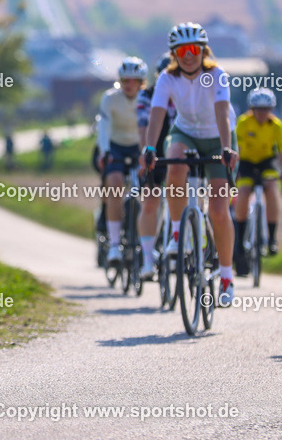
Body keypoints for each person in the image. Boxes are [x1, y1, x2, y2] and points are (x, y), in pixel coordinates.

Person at [142, 23, 239, 307]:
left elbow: (222, 110)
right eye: (182, 51)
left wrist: (226, 146)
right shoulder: (167, 78)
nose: (188, 55)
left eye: (193, 49)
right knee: (174, 164)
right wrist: (149, 148)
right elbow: (157, 112)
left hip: (218, 137)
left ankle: (226, 276)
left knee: (219, 211)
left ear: (203, 51)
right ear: (174, 54)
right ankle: (176, 232)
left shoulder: (217, 75)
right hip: (185, 132)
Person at [96, 57, 149, 266]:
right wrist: (104, 151)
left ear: (141, 82)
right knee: (115, 185)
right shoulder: (110, 98)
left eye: (134, 81)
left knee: (147, 192)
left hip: (138, 148)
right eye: (125, 80)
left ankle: (147, 243)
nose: (129, 85)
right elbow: (104, 126)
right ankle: (115, 245)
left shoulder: (147, 99)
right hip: (115, 146)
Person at [232, 88, 282, 275]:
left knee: (271, 188)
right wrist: (236, 172)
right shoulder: (243, 123)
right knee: (244, 191)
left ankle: (272, 238)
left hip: (266, 162)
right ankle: (239, 239)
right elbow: (237, 148)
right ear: (252, 109)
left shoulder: (276, 125)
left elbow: (281, 153)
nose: (263, 113)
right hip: (246, 161)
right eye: (258, 109)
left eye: (266, 109)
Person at [135, 54, 177, 279]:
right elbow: (143, 127)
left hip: (180, 153)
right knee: (150, 202)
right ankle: (148, 260)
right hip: (156, 152)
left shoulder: (186, 93)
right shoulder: (147, 95)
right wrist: (145, 153)